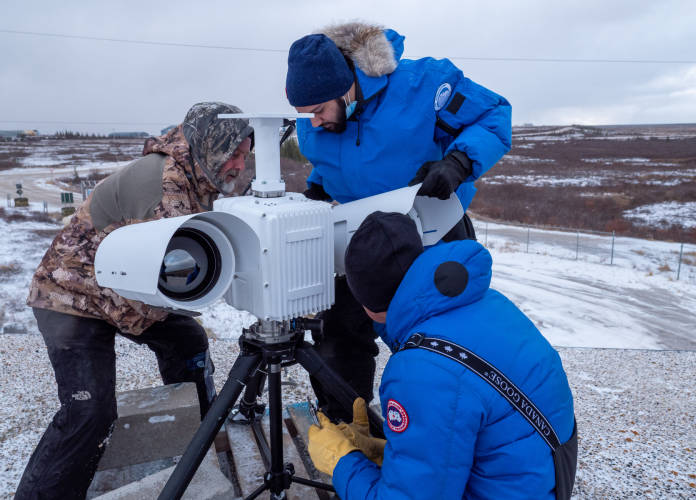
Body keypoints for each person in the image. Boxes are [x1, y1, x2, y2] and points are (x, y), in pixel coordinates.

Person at [16, 102, 253, 499]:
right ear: (212, 145)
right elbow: (171, 278)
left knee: (188, 343)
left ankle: (198, 433)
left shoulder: (197, 175)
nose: (240, 165)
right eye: (235, 154)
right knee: (89, 413)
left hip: (123, 292)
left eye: (246, 155)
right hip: (71, 297)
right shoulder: (164, 189)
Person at [285, 22, 512, 420]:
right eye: (306, 115)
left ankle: (446, 425)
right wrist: (317, 192)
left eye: (319, 111)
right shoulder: (315, 117)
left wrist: (458, 162)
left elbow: (494, 114)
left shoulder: (423, 85)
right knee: (340, 333)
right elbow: (329, 162)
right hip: (358, 236)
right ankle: (346, 424)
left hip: (431, 230)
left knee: (438, 334)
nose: (313, 122)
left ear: (346, 87)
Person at [307, 211, 577, 499]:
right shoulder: (486, 303)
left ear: (366, 300)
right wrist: (395, 450)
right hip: (538, 480)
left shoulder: (420, 373)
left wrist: (342, 463)